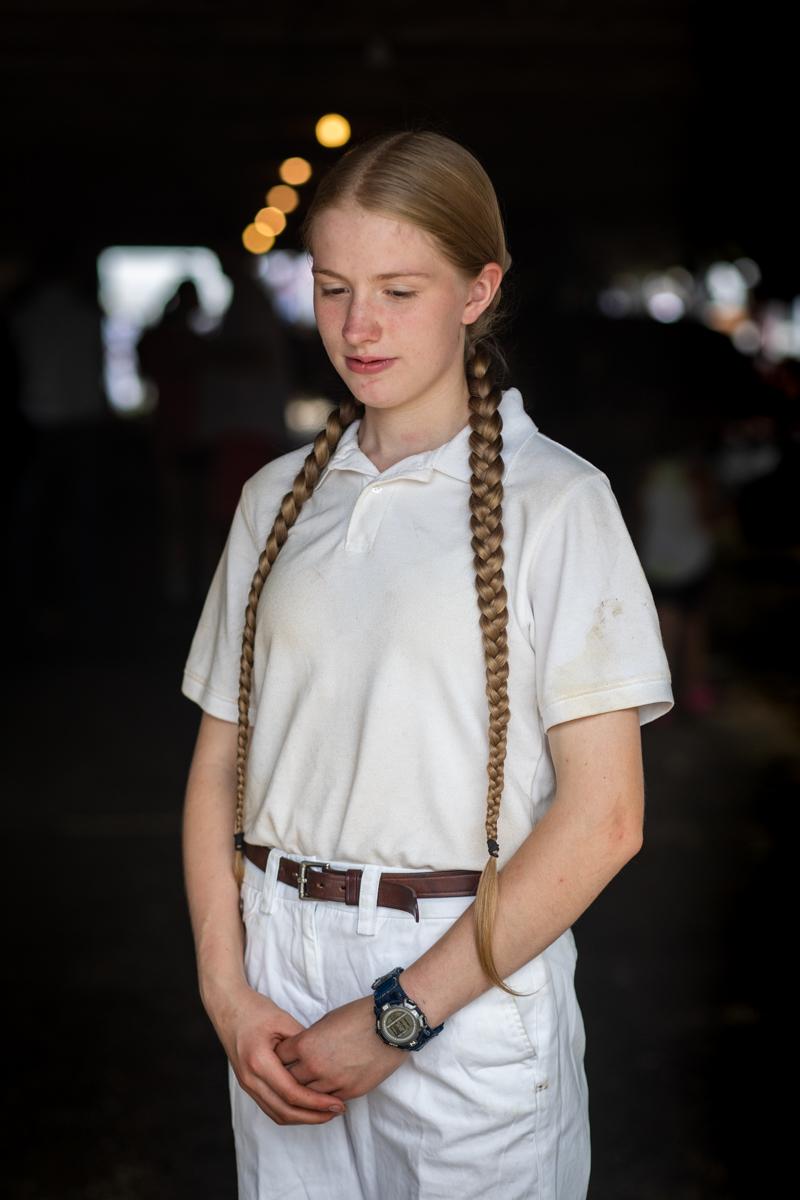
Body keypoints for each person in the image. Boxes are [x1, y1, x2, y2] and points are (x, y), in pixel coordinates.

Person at [180, 129, 674, 1200]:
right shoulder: (276, 502)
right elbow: (219, 765)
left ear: (476, 288)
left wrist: (399, 1013)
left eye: (398, 290)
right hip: (277, 968)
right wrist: (226, 989)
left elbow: (604, 821)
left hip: (464, 972)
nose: (357, 328)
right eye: (330, 290)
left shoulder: (555, 503)